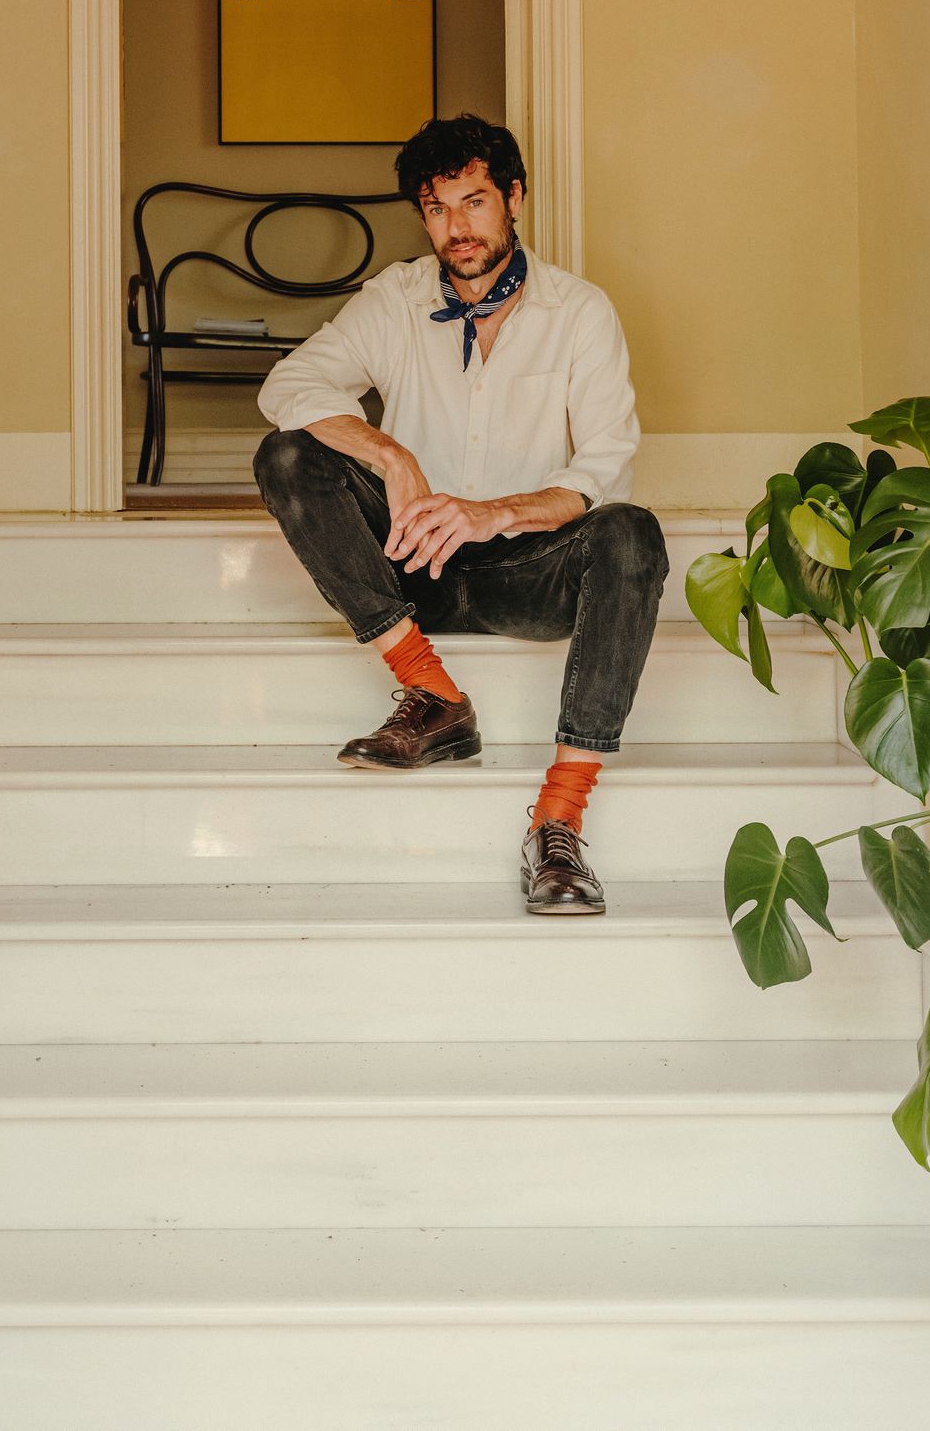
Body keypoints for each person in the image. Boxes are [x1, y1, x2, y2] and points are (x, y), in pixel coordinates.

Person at [253, 113, 668, 916]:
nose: (457, 227)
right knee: (288, 454)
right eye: (438, 208)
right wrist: (391, 458)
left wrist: (493, 513)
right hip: (415, 566)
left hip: (527, 570)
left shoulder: (580, 312)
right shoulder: (397, 298)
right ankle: (434, 696)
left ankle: (560, 820)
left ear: (514, 198)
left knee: (632, 531)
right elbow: (290, 389)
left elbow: (603, 467)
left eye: (474, 202)